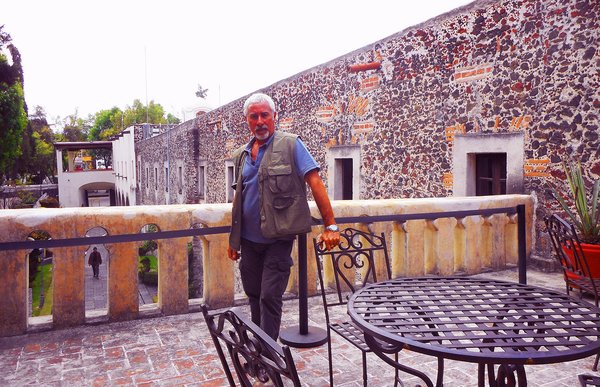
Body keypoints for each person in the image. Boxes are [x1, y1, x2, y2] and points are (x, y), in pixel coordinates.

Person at [228, 92, 340, 340]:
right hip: (248, 242)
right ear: (246, 120)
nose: (260, 121)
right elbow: (241, 201)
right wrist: (233, 240)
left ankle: (269, 356)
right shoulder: (241, 156)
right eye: (254, 116)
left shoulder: (291, 144)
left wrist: (331, 226)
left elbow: (314, 181)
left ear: (274, 117)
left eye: (265, 115)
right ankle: (260, 345)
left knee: (270, 295)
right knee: (254, 295)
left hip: (278, 240)